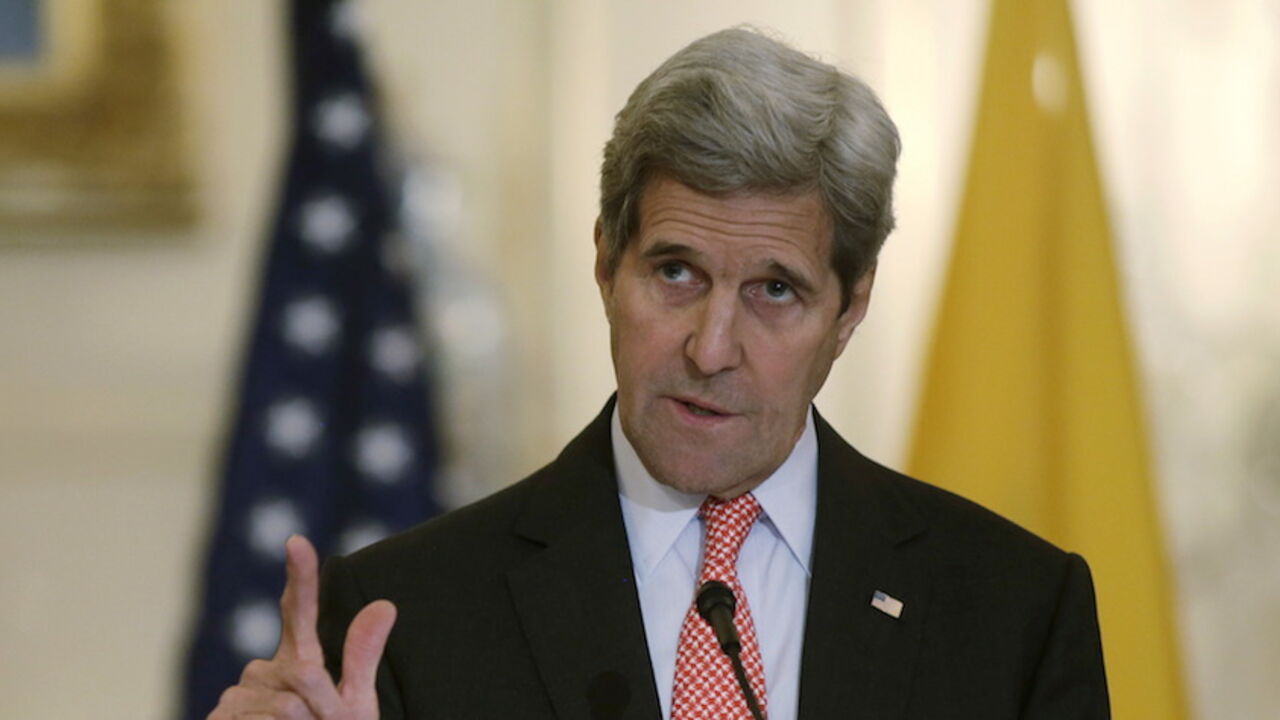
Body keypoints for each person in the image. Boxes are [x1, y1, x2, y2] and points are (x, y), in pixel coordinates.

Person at [208, 27, 1109, 720]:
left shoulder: (1013, 613)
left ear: (851, 307)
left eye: (775, 291)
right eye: (675, 273)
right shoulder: (401, 620)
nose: (711, 349)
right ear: (606, 264)